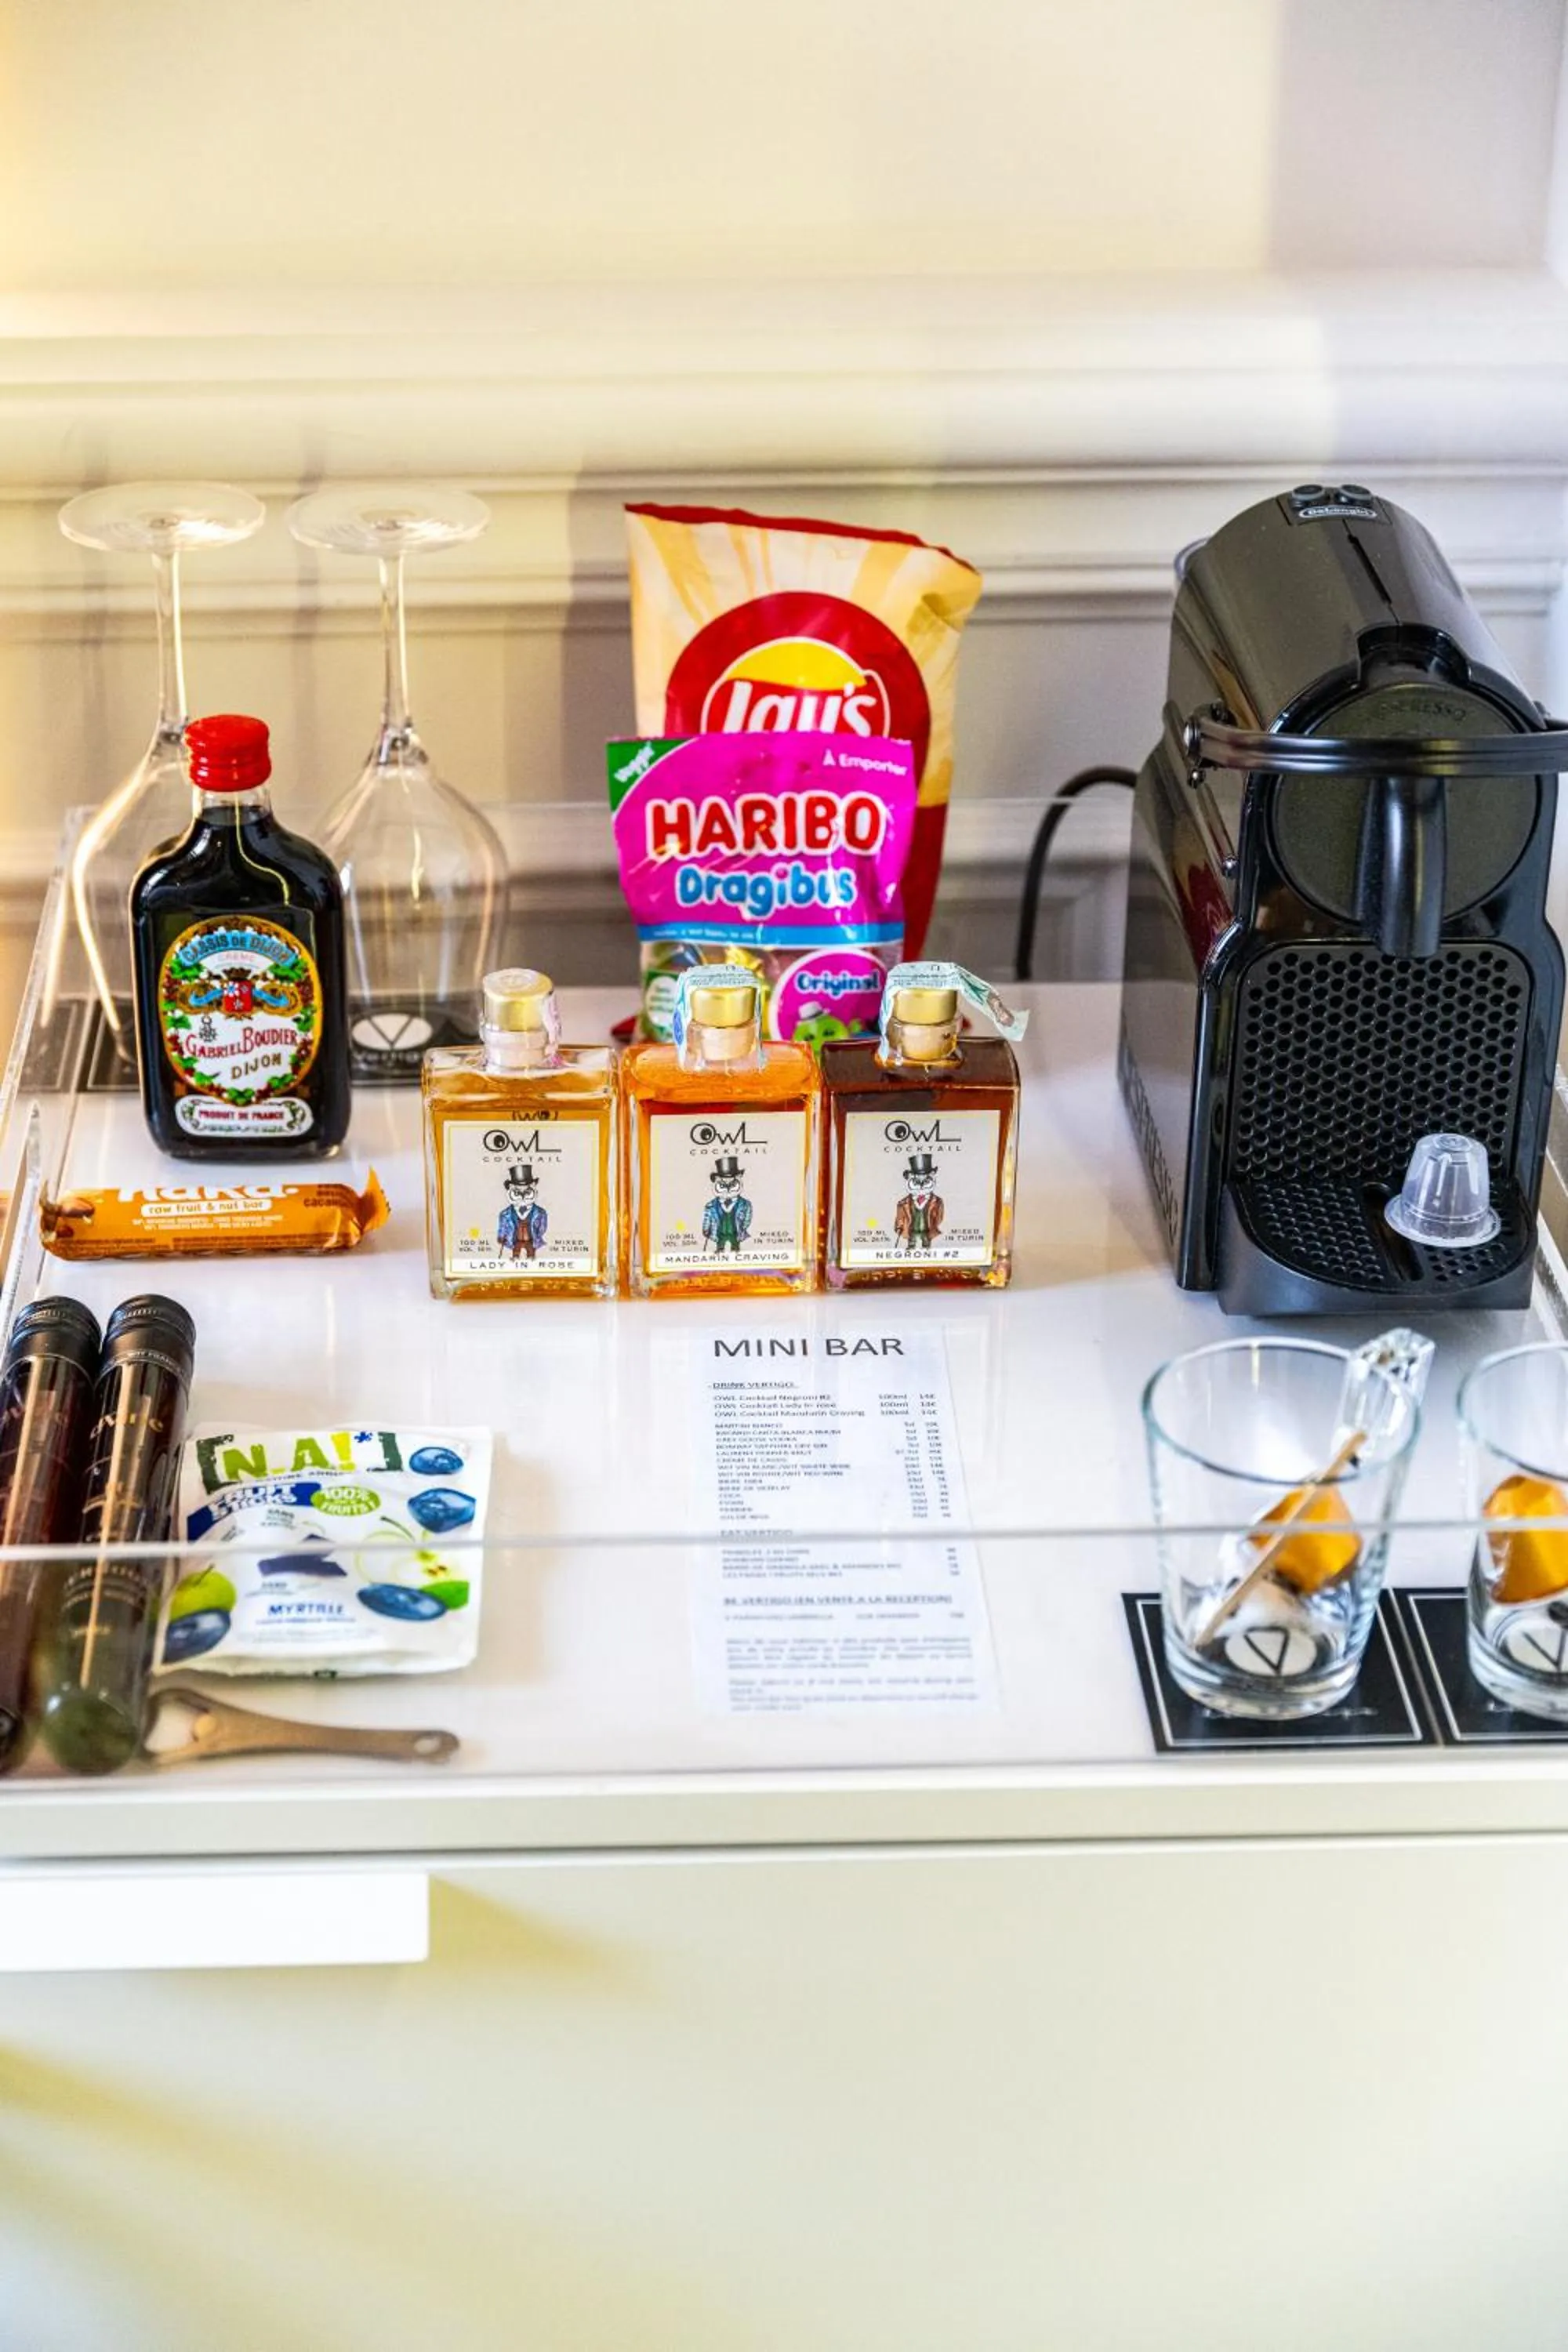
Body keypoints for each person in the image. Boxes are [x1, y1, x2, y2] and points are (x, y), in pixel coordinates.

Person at [894, 1152, 944, 1254]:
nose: (921, 1186)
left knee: (926, 1242)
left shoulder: (937, 1201)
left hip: (927, 1229)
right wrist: (899, 1226)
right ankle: (910, 1250)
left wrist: (934, 1223)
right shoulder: (904, 1203)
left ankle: (927, 1250)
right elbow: (900, 1216)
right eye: (916, 1182)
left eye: (926, 1182)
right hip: (912, 1229)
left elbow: (939, 1216)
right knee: (912, 1241)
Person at [702, 1155, 753, 1256]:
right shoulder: (711, 1205)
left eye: (733, 1185)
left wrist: (743, 1226)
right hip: (719, 1232)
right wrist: (706, 1229)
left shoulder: (745, 1204)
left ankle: (736, 1254)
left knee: (735, 1247)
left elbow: (748, 1216)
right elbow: (707, 1218)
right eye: (722, 1185)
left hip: (735, 1232)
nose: (728, 1189)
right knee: (720, 1247)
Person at [496, 1164, 547, 1260]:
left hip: (531, 1239)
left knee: (531, 1251)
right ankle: (515, 1259)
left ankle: (531, 1258)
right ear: (510, 1189)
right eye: (517, 1193)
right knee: (516, 1251)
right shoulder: (505, 1214)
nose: (522, 1196)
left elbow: (543, 1227)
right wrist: (501, 1236)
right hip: (515, 1239)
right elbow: (503, 1226)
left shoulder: (540, 1213)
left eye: (527, 1192)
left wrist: (537, 1234)